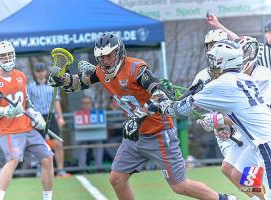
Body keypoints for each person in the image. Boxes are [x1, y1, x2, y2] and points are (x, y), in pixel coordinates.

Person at [48, 32, 236, 200]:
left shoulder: (135, 69)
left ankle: (223, 199)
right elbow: (78, 83)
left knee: (180, 186)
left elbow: (160, 94)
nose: (105, 61)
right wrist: (61, 79)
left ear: (119, 52)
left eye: (109, 55)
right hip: (135, 136)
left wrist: (138, 116)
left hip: (159, 132)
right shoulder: (101, 71)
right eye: (101, 57)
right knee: (117, 179)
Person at [154, 40, 271, 200]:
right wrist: (220, 122)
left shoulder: (222, 84)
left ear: (223, 60)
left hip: (265, 144)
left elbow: (179, 110)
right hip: (255, 143)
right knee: (236, 172)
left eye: (213, 59)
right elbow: (241, 112)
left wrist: (161, 103)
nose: (210, 63)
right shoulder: (243, 78)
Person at [194, 36, 271, 199]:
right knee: (233, 172)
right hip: (247, 135)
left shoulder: (263, 76)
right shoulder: (234, 77)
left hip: (262, 136)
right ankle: (259, 198)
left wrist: (218, 120)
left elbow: (258, 112)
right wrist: (224, 125)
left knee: (257, 174)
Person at [0, 40, 54, 200]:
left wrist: (35, 115)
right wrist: (7, 111)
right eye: (3, 56)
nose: (7, 58)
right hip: (7, 130)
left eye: (9, 55)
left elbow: (26, 102)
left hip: (27, 127)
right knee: (14, 160)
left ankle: (48, 198)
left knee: (48, 158)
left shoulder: (20, 76)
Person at [27, 62, 71, 178]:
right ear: (35, 73)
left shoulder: (53, 85)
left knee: (58, 143)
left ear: (46, 72)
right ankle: (42, 170)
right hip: (37, 117)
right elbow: (28, 104)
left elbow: (56, 102)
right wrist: (30, 118)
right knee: (39, 145)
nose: (40, 73)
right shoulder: (30, 87)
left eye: (42, 71)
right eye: (38, 71)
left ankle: (60, 170)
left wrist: (60, 117)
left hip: (51, 116)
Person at [206, 13, 271, 69]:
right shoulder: (260, 49)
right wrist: (217, 24)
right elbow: (237, 39)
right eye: (270, 32)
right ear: (266, 34)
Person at [76, 95, 104, 169]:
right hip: (82, 136)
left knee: (99, 143)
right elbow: (74, 125)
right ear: (81, 104)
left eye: (88, 102)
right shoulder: (78, 113)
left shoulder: (97, 112)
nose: (86, 105)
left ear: (91, 103)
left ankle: (99, 167)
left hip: (95, 136)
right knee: (82, 146)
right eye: (84, 103)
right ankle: (82, 168)